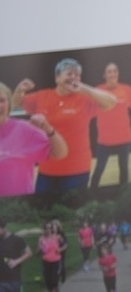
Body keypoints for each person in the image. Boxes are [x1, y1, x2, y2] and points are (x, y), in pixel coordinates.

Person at [12, 58, 117, 193]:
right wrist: (19, 90)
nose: (73, 77)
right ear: (57, 77)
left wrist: (84, 88)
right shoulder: (42, 96)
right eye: (69, 73)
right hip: (47, 167)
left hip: (77, 168)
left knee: (71, 211)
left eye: (77, 74)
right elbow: (17, 103)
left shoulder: (85, 99)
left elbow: (111, 102)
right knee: (42, 210)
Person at [0, 81, 68, 197]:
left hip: (17, 208)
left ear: (8, 104)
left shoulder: (24, 129)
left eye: (1, 100)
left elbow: (60, 153)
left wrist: (48, 130)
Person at [90, 62, 131, 189]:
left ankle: (123, 193)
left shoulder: (126, 89)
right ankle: (92, 193)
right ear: (104, 75)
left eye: (115, 71)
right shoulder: (98, 90)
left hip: (124, 138)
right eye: (109, 71)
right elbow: (89, 111)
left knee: (124, 168)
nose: (112, 74)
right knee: (99, 169)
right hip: (104, 141)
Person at [0, 217, 32, 292]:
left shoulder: (16, 240)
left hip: (14, 280)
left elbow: (29, 253)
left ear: (4, 228)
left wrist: (17, 261)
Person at [37, 222, 66, 292]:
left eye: (50, 228)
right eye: (47, 228)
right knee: (48, 283)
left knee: (54, 281)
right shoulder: (41, 239)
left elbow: (65, 245)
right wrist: (40, 248)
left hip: (55, 261)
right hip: (46, 262)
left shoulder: (57, 237)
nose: (48, 230)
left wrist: (60, 249)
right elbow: (37, 252)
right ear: (44, 230)